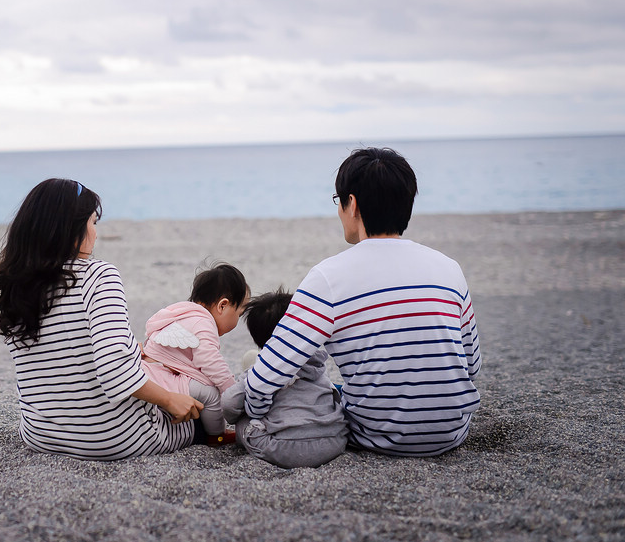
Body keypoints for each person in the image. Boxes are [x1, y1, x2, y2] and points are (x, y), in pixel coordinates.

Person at [244, 147, 481, 456]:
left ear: (352, 204)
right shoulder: (450, 268)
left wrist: (254, 411)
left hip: (376, 437)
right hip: (451, 433)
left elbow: (265, 378)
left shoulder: (328, 277)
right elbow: (472, 365)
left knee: (311, 393)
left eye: (338, 202)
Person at [0, 178, 203, 460]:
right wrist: (170, 399)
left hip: (41, 434)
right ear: (72, 230)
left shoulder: (14, 286)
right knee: (197, 412)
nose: (96, 234)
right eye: (93, 222)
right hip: (112, 438)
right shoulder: (99, 276)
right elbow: (115, 372)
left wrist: (129, 348)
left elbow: (57, 350)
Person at [222, 289, 349, 468]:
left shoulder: (262, 370)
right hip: (333, 442)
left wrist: (239, 416)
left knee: (244, 424)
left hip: (284, 448)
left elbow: (228, 403)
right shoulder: (316, 365)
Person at [140, 264, 249, 444]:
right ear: (223, 306)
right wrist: (230, 388)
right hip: (161, 375)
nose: (238, 320)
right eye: (239, 313)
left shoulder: (182, 313)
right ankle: (217, 435)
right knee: (211, 394)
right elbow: (208, 361)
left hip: (150, 369)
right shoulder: (203, 322)